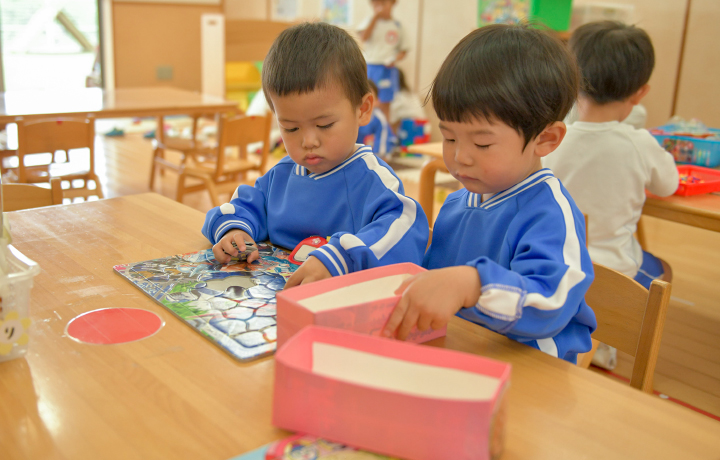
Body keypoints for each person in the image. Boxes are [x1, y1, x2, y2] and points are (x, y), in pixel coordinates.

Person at [382, 24, 596, 364]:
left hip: (532, 371)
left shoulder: (549, 212)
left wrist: (473, 284)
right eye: (450, 138)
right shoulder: (457, 202)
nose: (459, 156)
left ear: (545, 139)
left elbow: (551, 301)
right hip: (466, 353)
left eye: (482, 143)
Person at [201, 22, 429, 289]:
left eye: (324, 125)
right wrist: (234, 231)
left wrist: (341, 258)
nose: (308, 141)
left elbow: (404, 228)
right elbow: (243, 206)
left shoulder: (371, 180)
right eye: (291, 128)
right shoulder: (281, 175)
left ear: (363, 109)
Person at [543, 21, 678, 369]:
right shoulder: (639, 143)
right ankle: (610, 335)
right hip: (616, 274)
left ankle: (591, 334)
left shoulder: (553, 140)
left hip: (557, 264)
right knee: (662, 270)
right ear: (640, 93)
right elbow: (669, 186)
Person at [357, 0, 408, 121]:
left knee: (385, 104)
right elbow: (363, 37)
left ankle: (385, 134)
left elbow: (403, 50)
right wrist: (375, 18)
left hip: (387, 69)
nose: (379, 7)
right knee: (367, 101)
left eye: (383, 3)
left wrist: (394, 59)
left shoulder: (397, 25)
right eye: (376, 4)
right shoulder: (369, 21)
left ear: (392, 3)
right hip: (370, 67)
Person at [357, 79, 398, 158]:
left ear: (377, 101)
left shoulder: (379, 119)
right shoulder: (353, 117)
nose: (365, 102)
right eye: (361, 97)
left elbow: (381, 151)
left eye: (369, 99)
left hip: (382, 149)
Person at [390, 69, 430, 149]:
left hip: (413, 129)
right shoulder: (410, 94)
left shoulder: (397, 97)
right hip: (424, 130)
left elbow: (390, 118)